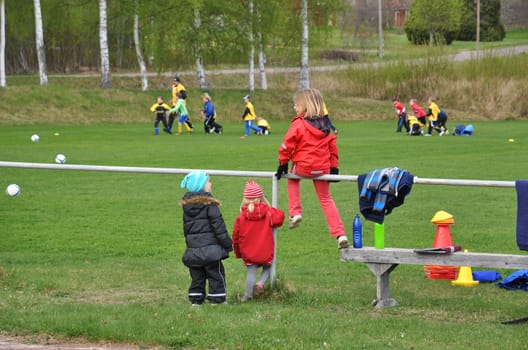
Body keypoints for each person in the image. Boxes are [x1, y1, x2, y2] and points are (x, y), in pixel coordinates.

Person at [275, 88, 350, 249]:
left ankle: (295, 213)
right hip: (322, 169)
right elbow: (333, 149)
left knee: (292, 179)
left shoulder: (298, 124)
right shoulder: (326, 126)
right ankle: (340, 234)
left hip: (302, 167)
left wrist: (283, 163)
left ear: (304, 106)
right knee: (326, 199)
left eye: (296, 105)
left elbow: (286, 145)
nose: (294, 108)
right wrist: (334, 168)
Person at [179, 171, 233, 306]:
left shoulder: (187, 207)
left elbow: (187, 230)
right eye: (208, 181)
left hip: (193, 250)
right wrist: (228, 244)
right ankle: (217, 299)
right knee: (216, 274)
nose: (210, 183)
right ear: (201, 186)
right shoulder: (210, 205)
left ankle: (196, 300)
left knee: (197, 275)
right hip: (211, 251)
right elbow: (219, 227)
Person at [232, 181, 285, 302]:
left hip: (248, 252)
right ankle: (261, 283)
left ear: (245, 199)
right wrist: (269, 207)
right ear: (260, 198)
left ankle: (247, 295)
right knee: (268, 266)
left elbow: (235, 236)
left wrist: (238, 252)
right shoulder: (268, 213)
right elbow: (280, 217)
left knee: (251, 272)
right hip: (265, 251)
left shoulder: (240, 217)